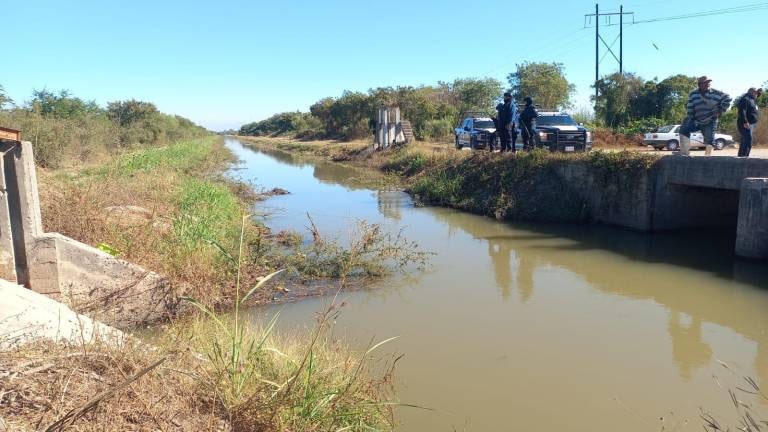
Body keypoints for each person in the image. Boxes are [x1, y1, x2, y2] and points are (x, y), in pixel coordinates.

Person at [679, 76, 732, 156]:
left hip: (710, 120)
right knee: (683, 130)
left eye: (709, 82)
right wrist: (690, 119)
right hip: (696, 119)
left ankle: (707, 157)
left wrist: (720, 110)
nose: (708, 84)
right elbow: (690, 106)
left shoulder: (716, 93)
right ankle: (684, 154)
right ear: (699, 84)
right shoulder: (693, 94)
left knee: (709, 140)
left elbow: (728, 98)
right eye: (705, 82)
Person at [737, 87, 760, 157]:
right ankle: (744, 157)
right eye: (756, 93)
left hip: (750, 124)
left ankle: (741, 157)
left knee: (744, 141)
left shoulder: (752, 99)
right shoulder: (745, 99)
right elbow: (742, 111)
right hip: (745, 124)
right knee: (748, 141)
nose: (757, 94)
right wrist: (745, 122)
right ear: (751, 92)